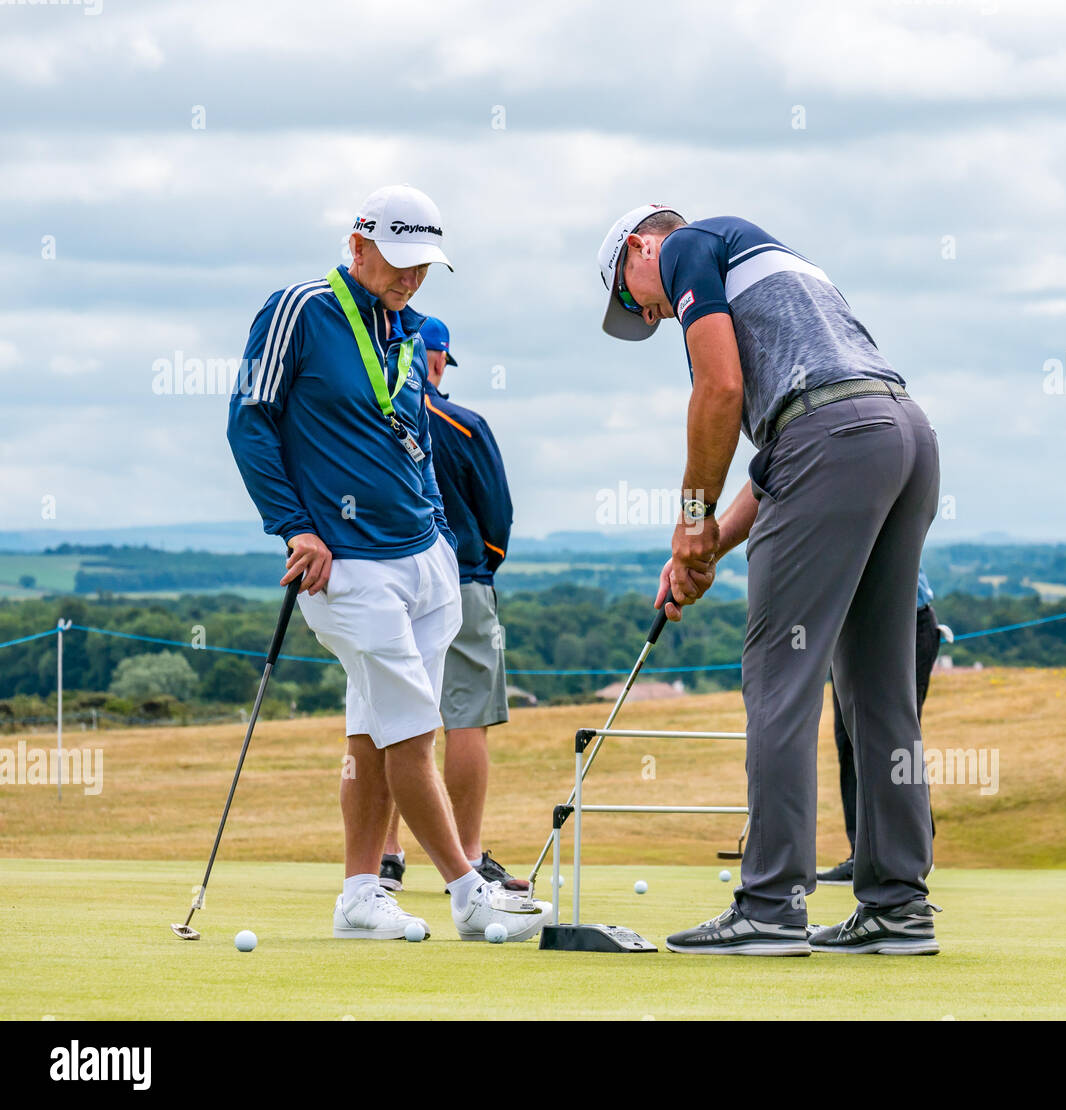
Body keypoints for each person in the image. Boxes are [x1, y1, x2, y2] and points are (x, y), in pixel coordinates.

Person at [596, 205, 940, 955]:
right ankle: (896, 908)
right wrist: (708, 543)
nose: (647, 315)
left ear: (637, 247)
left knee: (779, 675)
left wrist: (691, 517)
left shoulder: (687, 244)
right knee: (878, 687)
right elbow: (783, 455)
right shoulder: (778, 268)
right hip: (902, 435)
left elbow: (718, 391)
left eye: (633, 299)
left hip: (837, 441)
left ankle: (769, 905)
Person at [227, 183, 548, 942]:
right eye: (398, 261)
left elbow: (413, 441)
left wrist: (438, 533)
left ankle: (361, 896)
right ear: (358, 243)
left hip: (425, 558)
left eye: (424, 266)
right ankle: (469, 893)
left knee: (373, 727)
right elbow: (249, 422)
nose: (410, 278)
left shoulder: (402, 328)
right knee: (412, 727)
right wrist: (294, 527)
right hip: (346, 564)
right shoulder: (300, 310)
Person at [378, 316, 527, 894]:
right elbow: (498, 519)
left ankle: (386, 854)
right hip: (460, 578)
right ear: (435, 359)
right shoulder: (464, 425)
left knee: (391, 717)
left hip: (387, 576)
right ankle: (464, 856)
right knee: (467, 720)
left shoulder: (373, 419)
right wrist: (482, 564)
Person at [817, 566, 941, 885]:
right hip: (855, 627)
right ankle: (862, 855)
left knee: (897, 741)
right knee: (849, 738)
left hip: (907, 625)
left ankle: (912, 854)